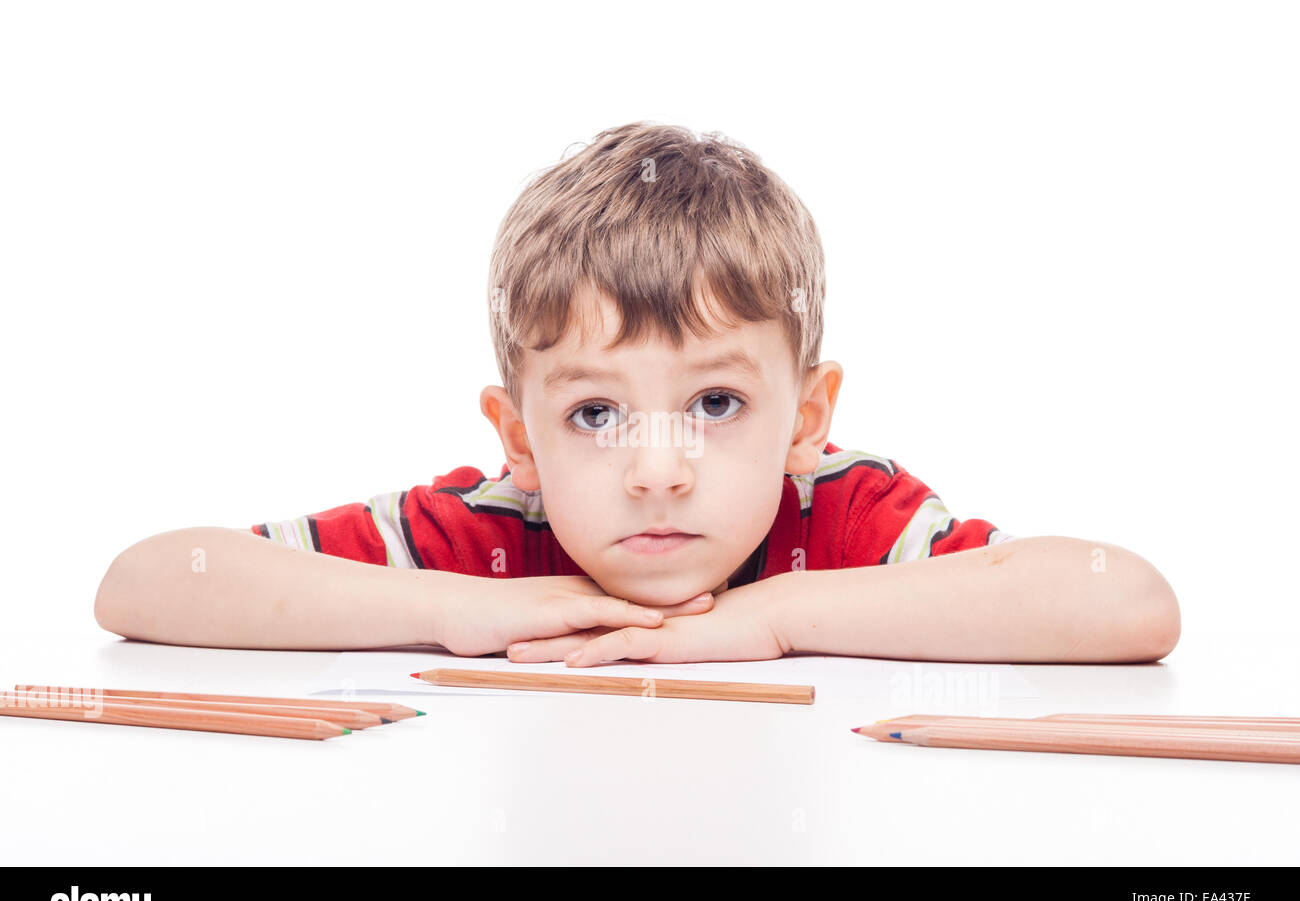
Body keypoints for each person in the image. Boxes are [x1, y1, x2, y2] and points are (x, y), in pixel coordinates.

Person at [94, 121, 1180, 665]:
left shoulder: (838, 514)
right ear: (516, 438)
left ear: (805, 420)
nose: (657, 468)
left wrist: (775, 617)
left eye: (715, 404)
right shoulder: (487, 535)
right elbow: (144, 586)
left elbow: (1126, 603)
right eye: (595, 415)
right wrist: (447, 605)